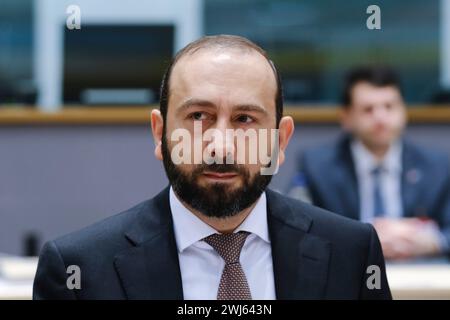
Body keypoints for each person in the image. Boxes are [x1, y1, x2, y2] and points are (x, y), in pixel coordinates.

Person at [33, 36, 391, 300]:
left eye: (245, 119)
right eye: (198, 116)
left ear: (281, 141)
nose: (221, 145)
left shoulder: (352, 254)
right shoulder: (77, 271)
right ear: (160, 133)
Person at [292, 66, 450, 260]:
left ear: (404, 111)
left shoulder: (436, 166)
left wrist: (431, 240)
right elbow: (295, 229)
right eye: (368, 109)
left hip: (419, 276)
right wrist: (362, 239)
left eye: (389, 106)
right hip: (347, 277)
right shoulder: (317, 166)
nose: (381, 118)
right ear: (346, 117)